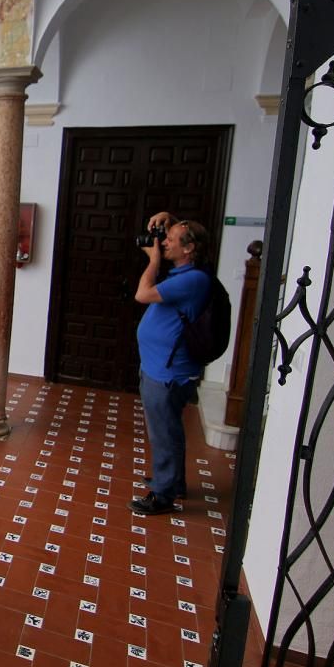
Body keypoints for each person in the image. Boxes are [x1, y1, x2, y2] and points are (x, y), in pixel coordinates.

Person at [129, 212, 212, 515]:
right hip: (158, 367)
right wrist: (170, 218)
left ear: (189, 249)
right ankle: (173, 481)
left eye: (170, 240)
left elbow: (142, 294)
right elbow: (184, 231)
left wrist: (152, 261)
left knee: (163, 434)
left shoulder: (193, 279)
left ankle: (162, 495)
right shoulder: (184, 272)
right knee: (168, 429)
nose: (163, 243)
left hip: (168, 372)